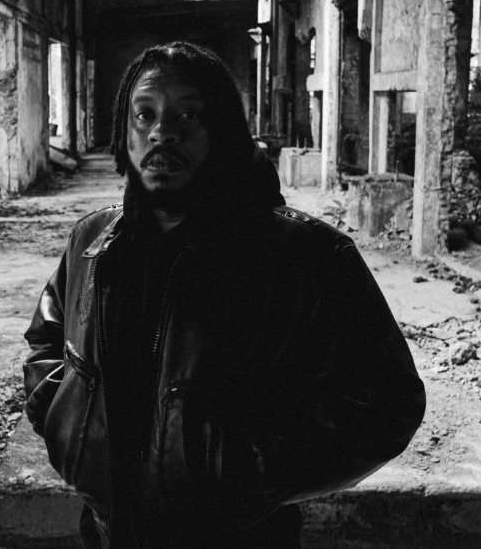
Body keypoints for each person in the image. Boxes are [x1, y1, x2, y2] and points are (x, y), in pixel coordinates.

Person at [23, 41, 425, 548]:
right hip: (109, 532)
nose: (161, 132)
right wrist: (67, 430)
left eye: (188, 115)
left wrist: (250, 472)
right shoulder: (92, 242)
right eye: (144, 114)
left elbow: (387, 401)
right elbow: (47, 342)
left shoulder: (304, 256)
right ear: (124, 132)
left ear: (225, 131)